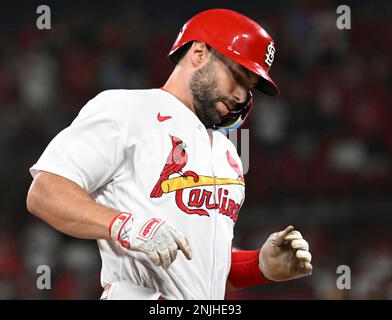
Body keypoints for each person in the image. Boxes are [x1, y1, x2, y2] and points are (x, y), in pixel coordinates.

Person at [26, 8, 312, 300]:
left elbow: (199, 271)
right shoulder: (127, 110)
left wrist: (258, 265)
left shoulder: (228, 152)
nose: (241, 95)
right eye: (238, 76)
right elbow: (45, 191)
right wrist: (125, 225)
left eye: (249, 88)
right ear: (199, 53)